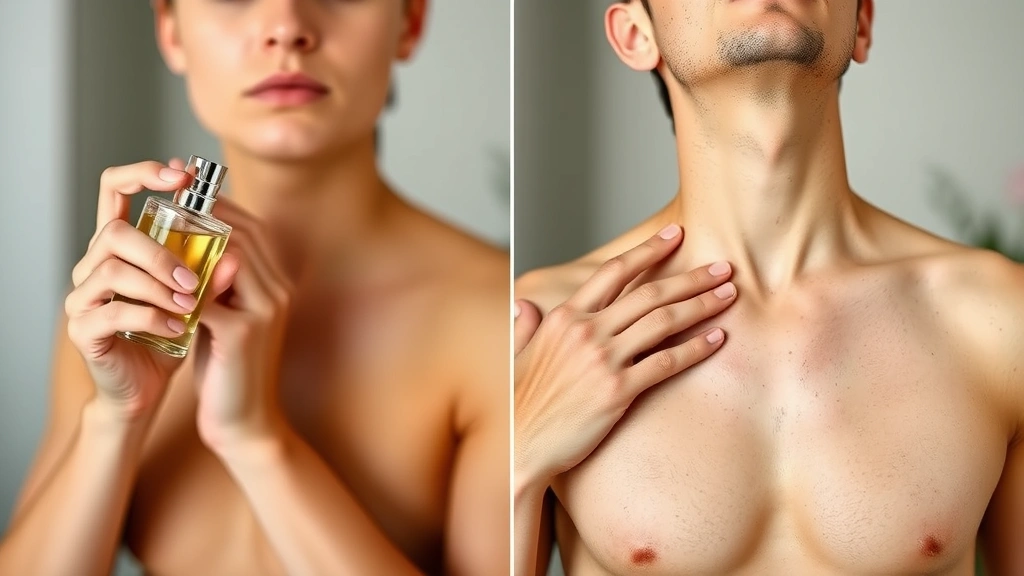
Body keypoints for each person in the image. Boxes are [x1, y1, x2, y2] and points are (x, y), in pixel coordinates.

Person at [513, 0, 1024, 574]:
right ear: (636, 34)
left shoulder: (1001, 320)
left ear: (861, 23)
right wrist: (521, 453)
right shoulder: (544, 327)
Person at [0, 1, 509, 575]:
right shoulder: (120, 301)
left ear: (410, 22)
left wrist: (255, 439)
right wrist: (116, 418)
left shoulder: (497, 317)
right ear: (170, 32)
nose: (286, 27)